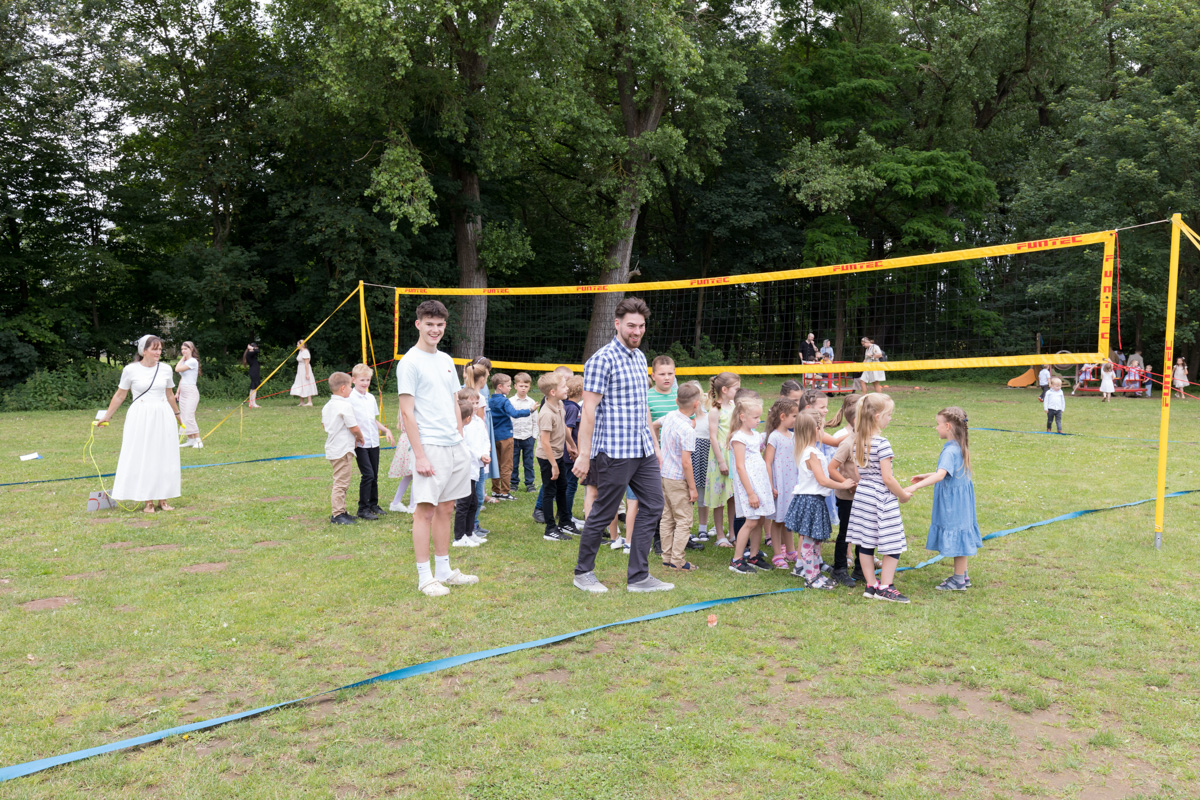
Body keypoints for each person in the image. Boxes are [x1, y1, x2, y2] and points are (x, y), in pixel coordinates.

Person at [571, 297, 672, 594]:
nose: (636, 331)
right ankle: (583, 573)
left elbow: (643, 406)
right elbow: (588, 410)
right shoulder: (601, 360)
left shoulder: (640, 357)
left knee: (654, 504)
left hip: (642, 449)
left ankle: (639, 577)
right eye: (631, 326)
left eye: (641, 326)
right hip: (614, 451)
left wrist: (655, 446)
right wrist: (585, 454)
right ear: (617, 324)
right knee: (604, 512)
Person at [396, 300, 479, 597]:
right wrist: (419, 455)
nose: (435, 329)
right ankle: (425, 577)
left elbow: (455, 401)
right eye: (429, 324)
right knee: (425, 512)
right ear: (418, 324)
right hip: (429, 445)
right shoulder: (409, 362)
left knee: (446, 508)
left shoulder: (445, 359)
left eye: (440, 324)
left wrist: (460, 438)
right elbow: (407, 413)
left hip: (454, 445)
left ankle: (444, 570)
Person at [99, 334, 184, 513]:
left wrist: (177, 414)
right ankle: (148, 501)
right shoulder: (130, 370)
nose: (158, 352)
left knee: (164, 455)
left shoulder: (166, 369)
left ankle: (163, 499)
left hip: (163, 414)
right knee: (144, 455)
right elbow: (120, 395)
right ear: (143, 351)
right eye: (154, 349)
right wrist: (107, 416)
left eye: (160, 349)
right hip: (140, 416)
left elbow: (169, 394)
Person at [846, 393, 911, 603]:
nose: (890, 418)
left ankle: (871, 584)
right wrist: (903, 495)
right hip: (881, 498)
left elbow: (859, 473)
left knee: (866, 541)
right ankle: (885, 587)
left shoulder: (858, 442)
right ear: (877, 416)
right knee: (893, 542)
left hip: (863, 496)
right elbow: (887, 478)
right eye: (888, 414)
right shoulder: (882, 444)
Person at [908, 406, 980, 591]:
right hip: (962, 502)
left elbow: (941, 475)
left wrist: (915, 487)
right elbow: (948, 472)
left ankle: (958, 580)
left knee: (958, 536)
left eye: (938, 424)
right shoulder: (958, 446)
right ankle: (963, 575)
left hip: (953, 504)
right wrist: (926, 475)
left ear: (947, 426)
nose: (936, 428)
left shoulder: (950, 451)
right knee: (960, 534)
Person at [786, 413, 855, 588]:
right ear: (816, 430)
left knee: (816, 541)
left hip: (815, 501)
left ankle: (815, 573)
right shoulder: (811, 454)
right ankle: (811, 577)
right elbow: (822, 480)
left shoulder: (810, 451)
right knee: (810, 542)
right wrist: (843, 484)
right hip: (811, 501)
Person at [727, 395, 773, 574]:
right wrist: (750, 493)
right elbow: (740, 466)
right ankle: (737, 559)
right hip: (749, 485)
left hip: (759, 482)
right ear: (742, 417)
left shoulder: (755, 435)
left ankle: (754, 555)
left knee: (759, 519)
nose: (758, 420)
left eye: (759, 417)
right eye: (755, 417)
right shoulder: (738, 438)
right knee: (751, 521)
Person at [659, 382, 702, 571]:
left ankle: (667, 557)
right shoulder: (688, 431)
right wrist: (692, 488)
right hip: (677, 478)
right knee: (684, 520)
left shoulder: (670, 416)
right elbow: (686, 462)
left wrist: (657, 448)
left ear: (676, 401)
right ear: (696, 404)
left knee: (667, 517)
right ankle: (677, 560)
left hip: (664, 474)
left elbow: (654, 424)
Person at [827, 394, 864, 586]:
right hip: (847, 497)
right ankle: (839, 569)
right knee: (846, 532)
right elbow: (831, 468)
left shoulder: (868, 440)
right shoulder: (848, 443)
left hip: (864, 496)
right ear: (858, 420)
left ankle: (860, 568)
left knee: (863, 532)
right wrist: (846, 483)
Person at [349, 363, 394, 521]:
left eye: (367, 380)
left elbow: (373, 420)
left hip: (373, 442)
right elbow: (350, 421)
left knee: (374, 475)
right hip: (360, 443)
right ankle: (363, 508)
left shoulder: (370, 398)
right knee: (367, 474)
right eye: (362, 380)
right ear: (354, 380)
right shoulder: (350, 399)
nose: (365, 383)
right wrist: (355, 437)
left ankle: (373, 504)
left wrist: (386, 430)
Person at [537, 372, 576, 541]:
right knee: (549, 491)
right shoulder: (546, 413)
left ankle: (565, 522)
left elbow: (564, 427)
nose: (567, 388)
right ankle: (550, 529)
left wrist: (572, 445)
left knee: (562, 487)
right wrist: (553, 465)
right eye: (563, 386)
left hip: (558, 454)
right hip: (548, 458)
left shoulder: (560, 404)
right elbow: (545, 442)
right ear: (553, 392)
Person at [702, 372, 740, 548]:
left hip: (734, 455)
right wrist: (721, 461)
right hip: (720, 457)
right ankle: (720, 535)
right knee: (718, 497)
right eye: (736, 389)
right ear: (724, 390)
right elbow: (713, 437)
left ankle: (732, 533)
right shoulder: (715, 410)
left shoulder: (734, 406)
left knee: (733, 496)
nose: (738, 391)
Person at [322, 371, 364, 525]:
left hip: (333, 447)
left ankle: (342, 511)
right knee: (341, 483)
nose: (352, 389)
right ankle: (338, 514)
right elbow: (353, 427)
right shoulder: (345, 406)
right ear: (343, 388)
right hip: (342, 450)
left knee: (341, 481)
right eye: (350, 387)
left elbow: (324, 425)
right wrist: (360, 437)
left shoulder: (327, 406)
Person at [763, 398, 800, 569]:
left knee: (788, 518)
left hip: (791, 483)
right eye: (794, 416)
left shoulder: (793, 436)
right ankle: (778, 553)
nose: (796, 419)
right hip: (780, 484)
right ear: (783, 416)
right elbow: (768, 462)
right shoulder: (774, 437)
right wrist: (770, 485)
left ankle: (791, 551)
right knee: (778, 520)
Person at [453, 392, 491, 547]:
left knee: (473, 502)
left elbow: (485, 439)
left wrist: (485, 453)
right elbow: (465, 446)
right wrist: (479, 455)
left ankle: (469, 533)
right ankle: (459, 537)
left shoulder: (478, 421)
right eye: (472, 403)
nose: (476, 406)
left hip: (477, 466)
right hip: (467, 467)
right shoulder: (461, 427)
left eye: (477, 403)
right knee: (464, 503)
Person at [487, 373, 531, 500]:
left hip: (493, 437)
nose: (510, 388)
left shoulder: (490, 400)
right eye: (508, 386)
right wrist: (530, 410)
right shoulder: (504, 401)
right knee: (506, 464)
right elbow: (514, 413)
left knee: (496, 463)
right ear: (500, 387)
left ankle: (495, 490)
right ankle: (505, 492)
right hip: (506, 436)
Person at [687, 380, 712, 542]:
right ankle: (686, 528)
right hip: (689, 458)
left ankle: (703, 528)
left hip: (704, 458)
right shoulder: (684, 418)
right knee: (687, 496)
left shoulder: (708, 417)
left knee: (703, 495)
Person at [509, 372, 538, 492]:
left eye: (526, 386)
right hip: (514, 436)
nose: (523, 388)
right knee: (513, 462)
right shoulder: (510, 401)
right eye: (521, 386)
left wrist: (534, 436)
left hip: (528, 437)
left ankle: (530, 483)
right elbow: (508, 418)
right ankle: (513, 483)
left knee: (528, 462)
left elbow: (535, 421)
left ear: (529, 387)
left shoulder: (532, 402)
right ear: (515, 386)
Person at [387, 400, 414, 513]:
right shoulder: (409, 409)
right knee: (415, 474)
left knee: (409, 475)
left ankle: (395, 502)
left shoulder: (405, 408)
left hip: (406, 440)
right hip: (411, 440)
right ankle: (413, 505)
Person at [175, 341, 202, 448]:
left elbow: (177, 369)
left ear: (191, 349)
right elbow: (182, 378)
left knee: (189, 416)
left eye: (185, 349)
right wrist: (177, 392)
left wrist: (182, 358)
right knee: (184, 416)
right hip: (183, 391)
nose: (183, 351)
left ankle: (198, 441)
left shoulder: (192, 361)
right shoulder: (185, 362)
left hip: (191, 391)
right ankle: (190, 440)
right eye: (182, 349)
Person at [647, 355, 678, 426]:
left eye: (670, 374)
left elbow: (692, 420)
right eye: (662, 374)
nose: (667, 378)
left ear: (675, 374)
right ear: (653, 376)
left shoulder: (681, 395)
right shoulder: (646, 397)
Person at [290, 340, 318, 406]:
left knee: (306, 384)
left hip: (305, 369)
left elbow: (306, 363)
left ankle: (309, 402)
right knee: (300, 384)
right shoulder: (300, 352)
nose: (297, 345)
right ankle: (301, 402)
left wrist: (307, 374)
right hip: (300, 370)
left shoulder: (305, 352)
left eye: (298, 344)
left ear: (302, 345)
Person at [243, 342, 262, 408]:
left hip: (254, 371)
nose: (256, 348)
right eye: (255, 347)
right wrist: (251, 348)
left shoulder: (251, 353)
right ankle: (253, 404)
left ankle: (251, 403)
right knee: (254, 388)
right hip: (254, 372)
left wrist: (252, 348)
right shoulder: (249, 353)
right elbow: (257, 351)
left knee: (253, 388)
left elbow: (257, 350)